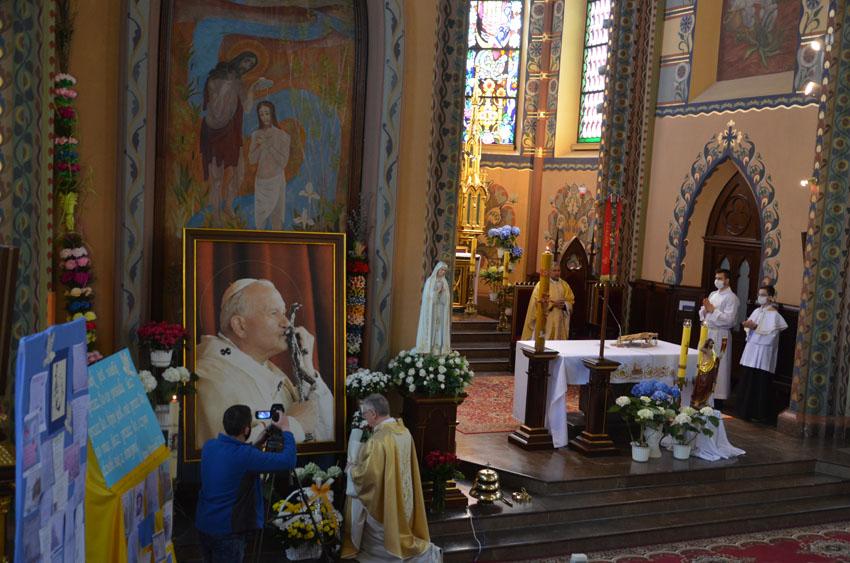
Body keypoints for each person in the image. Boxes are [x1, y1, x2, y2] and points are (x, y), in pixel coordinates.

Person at [195, 278, 334, 447]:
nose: (286, 323)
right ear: (240, 326)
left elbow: (325, 433)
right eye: (274, 313)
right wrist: (294, 425)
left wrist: (307, 369)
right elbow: (232, 452)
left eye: (284, 312)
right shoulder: (211, 379)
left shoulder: (269, 370)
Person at [342, 394, 442, 562]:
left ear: (373, 414)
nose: (365, 419)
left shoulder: (378, 440)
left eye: (365, 414)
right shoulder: (404, 431)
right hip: (404, 498)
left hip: (387, 500)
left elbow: (369, 476)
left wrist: (351, 470)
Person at [195, 404, 297, 563]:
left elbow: (235, 461)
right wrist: (286, 429)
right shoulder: (246, 455)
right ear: (247, 429)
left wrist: (257, 443)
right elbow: (288, 461)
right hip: (228, 532)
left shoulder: (209, 446)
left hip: (204, 525)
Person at [200, 51, 265, 221]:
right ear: (239, 59)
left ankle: (228, 206)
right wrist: (228, 87)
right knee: (217, 179)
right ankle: (216, 216)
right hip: (214, 131)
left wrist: (252, 88)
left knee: (239, 174)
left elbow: (247, 108)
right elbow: (215, 108)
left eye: (250, 65)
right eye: (246, 61)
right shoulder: (216, 78)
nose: (246, 66)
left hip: (232, 132)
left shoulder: (238, 83)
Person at [738, 285, 787, 421]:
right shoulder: (756, 311)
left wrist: (755, 327)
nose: (760, 297)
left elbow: (771, 337)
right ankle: (744, 410)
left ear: (770, 297)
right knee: (748, 378)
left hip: (764, 352)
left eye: (763, 294)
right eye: (759, 294)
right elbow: (750, 331)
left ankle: (758, 413)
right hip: (752, 349)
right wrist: (748, 327)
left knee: (760, 381)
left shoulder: (775, 315)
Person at [699, 268, 740, 409]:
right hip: (708, 332)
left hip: (721, 335)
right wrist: (705, 310)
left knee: (719, 366)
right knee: (705, 364)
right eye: (716, 278)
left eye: (720, 278)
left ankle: (717, 401)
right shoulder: (713, 294)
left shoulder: (732, 298)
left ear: (727, 280)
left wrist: (713, 310)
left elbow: (730, 320)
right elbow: (703, 313)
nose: (717, 281)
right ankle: (703, 395)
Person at [249, 101, 291, 230]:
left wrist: (267, 145)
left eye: (267, 113)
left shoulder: (282, 135)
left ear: (272, 113)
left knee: (276, 221)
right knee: (260, 223)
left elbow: (283, 162)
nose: (265, 117)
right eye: (261, 114)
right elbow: (252, 160)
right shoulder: (256, 134)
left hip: (276, 181)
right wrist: (259, 146)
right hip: (261, 183)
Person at [521, 265, 575, 340]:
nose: (557, 273)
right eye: (554, 270)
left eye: (558, 270)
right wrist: (552, 304)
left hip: (559, 320)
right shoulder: (542, 284)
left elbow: (570, 300)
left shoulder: (564, 285)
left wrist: (565, 305)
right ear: (549, 272)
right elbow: (537, 302)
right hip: (546, 319)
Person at [415, 262, 452, 356]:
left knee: (439, 329)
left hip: (440, 310)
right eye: (442, 270)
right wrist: (437, 291)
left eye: (445, 270)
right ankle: (428, 349)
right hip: (431, 311)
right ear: (437, 269)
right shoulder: (430, 281)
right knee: (431, 328)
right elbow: (428, 297)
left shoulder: (444, 282)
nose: (443, 272)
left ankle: (438, 350)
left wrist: (443, 293)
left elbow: (446, 299)